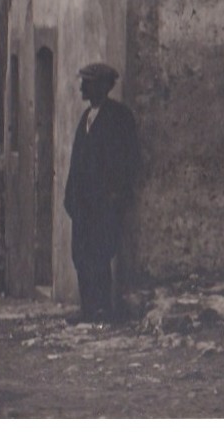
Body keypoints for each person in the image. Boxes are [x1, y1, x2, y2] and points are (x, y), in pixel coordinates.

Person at [62, 61, 141, 324]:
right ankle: (88, 309)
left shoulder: (119, 117)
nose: (83, 86)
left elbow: (129, 159)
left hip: (104, 204)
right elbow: (77, 160)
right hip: (83, 204)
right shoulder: (86, 117)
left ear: (103, 86)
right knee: (81, 256)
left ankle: (102, 309)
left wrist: (115, 196)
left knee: (100, 255)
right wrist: (71, 197)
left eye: (88, 82)